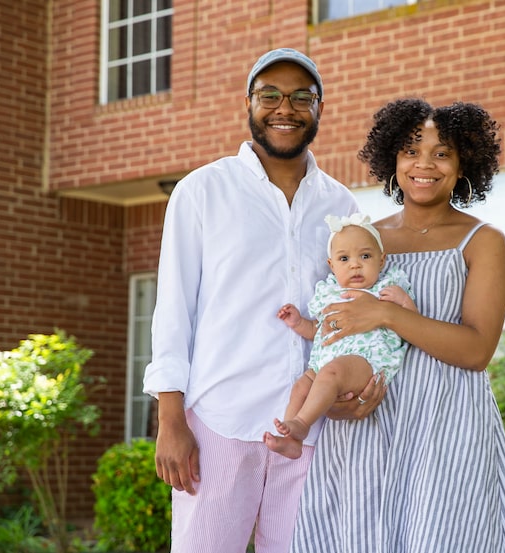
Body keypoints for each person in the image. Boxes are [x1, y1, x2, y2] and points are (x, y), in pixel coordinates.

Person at [142, 48, 367, 553]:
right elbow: (174, 311)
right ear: (250, 102)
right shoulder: (202, 190)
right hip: (219, 420)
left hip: (310, 428)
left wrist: (360, 380)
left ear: (319, 109)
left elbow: (351, 310)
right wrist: (171, 420)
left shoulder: (341, 204)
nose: (284, 108)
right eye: (270, 94)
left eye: (301, 97)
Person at [290, 98, 505, 552]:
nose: (425, 164)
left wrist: (387, 314)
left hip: (446, 422)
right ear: (392, 160)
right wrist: (336, 397)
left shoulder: (483, 241)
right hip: (368, 421)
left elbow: (477, 351)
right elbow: (330, 332)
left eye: (442, 153)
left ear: (463, 166)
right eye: (411, 150)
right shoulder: (364, 242)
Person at [266, 213, 417, 459]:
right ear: (332, 265)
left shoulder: (388, 289)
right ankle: (291, 438)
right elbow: (319, 330)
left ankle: (302, 424)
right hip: (325, 360)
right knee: (301, 386)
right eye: (344, 259)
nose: (354, 265)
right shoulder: (329, 293)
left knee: (331, 374)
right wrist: (298, 322)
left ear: (381, 260)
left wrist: (405, 302)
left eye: (365, 256)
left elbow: (412, 325)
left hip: (365, 359)